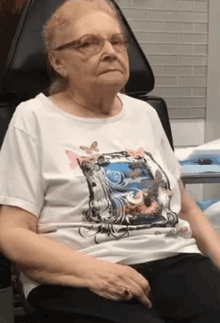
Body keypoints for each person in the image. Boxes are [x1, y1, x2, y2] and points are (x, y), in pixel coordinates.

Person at [0, 0, 220, 322]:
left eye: (117, 41)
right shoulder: (32, 118)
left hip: (173, 258)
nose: (110, 50)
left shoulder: (145, 114)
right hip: (80, 267)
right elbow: (11, 232)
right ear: (58, 62)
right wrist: (96, 272)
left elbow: (184, 205)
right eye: (89, 43)